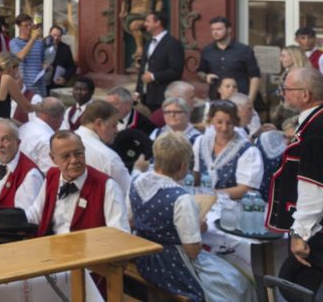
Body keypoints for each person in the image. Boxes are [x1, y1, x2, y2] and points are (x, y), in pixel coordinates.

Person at [130, 132, 255, 302]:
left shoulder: (137, 181)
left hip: (144, 257)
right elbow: (193, 251)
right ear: (183, 166)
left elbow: (131, 220)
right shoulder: (180, 198)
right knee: (237, 283)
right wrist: (197, 227)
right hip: (172, 266)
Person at [268, 67, 323, 291]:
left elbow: (313, 186)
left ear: (305, 95)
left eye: (287, 89)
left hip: (315, 229)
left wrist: (300, 233)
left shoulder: (316, 129)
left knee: (293, 285)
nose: (283, 93)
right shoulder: (313, 122)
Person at [25, 130, 129, 235]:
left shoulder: (107, 186)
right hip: (51, 247)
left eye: (78, 153)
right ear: (53, 159)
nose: (74, 160)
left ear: (84, 151)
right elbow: (35, 214)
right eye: (66, 156)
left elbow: (120, 233)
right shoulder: (52, 177)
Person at [193, 100, 263, 199]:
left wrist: (211, 195)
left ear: (235, 121)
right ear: (211, 120)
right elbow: (196, 174)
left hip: (231, 207)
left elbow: (245, 189)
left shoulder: (248, 151)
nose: (224, 128)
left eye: (229, 123)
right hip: (201, 202)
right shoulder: (201, 142)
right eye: (219, 122)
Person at [198, 16, 261, 103]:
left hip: (240, 97)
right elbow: (200, 72)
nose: (215, 32)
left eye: (219, 29)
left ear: (229, 29)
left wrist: (250, 100)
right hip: (216, 98)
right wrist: (205, 77)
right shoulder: (207, 51)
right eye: (213, 30)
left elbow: (255, 77)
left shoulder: (244, 50)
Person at [77, 100, 132, 194]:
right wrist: (138, 171)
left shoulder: (63, 142)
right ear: (99, 124)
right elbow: (128, 192)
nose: (117, 130)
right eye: (114, 125)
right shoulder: (108, 157)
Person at [137, 11, 185, 111]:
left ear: (158, 23)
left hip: (162, 98)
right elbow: (143, 67)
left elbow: (176, 71)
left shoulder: (173, 44)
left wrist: (153, 76)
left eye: (148, 21)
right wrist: (138, 91)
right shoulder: (148, 42)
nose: (145, 24)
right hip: (145, 97)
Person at [120, 0, 164, 71]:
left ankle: (140, 50)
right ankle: (140, 49)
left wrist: (157, 13)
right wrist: (123, 12)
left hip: (147, 15)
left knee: (135, 26)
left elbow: (159, 1)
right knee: (134, 25)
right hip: (133, 15)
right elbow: (125, 2)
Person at [19, 97, 65, 174]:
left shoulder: (24, 127)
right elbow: (49, 173)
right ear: (59, 118)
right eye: (62, 119)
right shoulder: (48, 140)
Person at [9, 14, 46, 96]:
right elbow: (20, 57)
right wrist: (33, 38)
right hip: (24, 88)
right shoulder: (14, 42)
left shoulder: (39, 42)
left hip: (40, 88)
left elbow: (43, 61)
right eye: (26, 25)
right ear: (19, 27)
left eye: (30, 24)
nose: (29, 27)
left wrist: (46, 66)